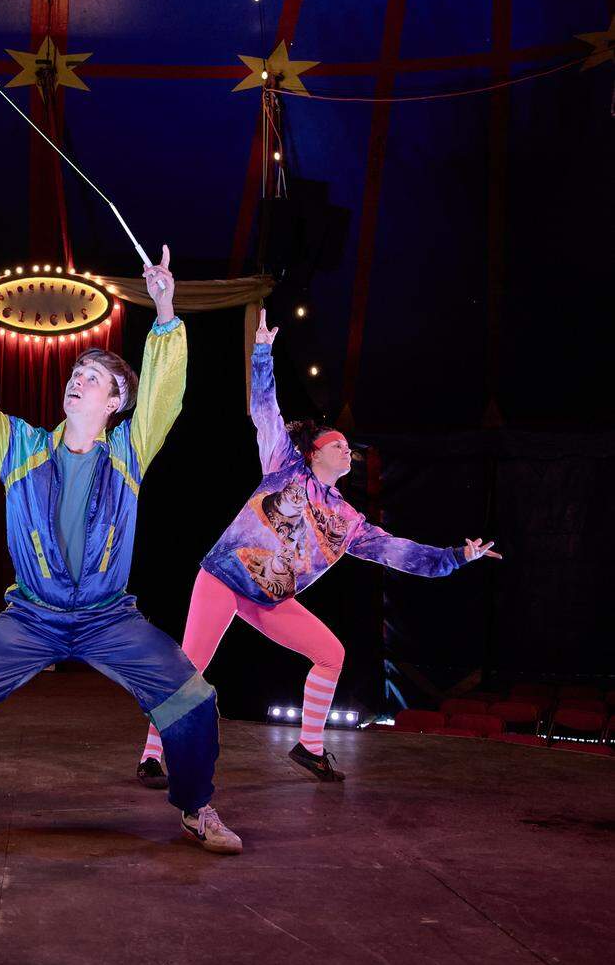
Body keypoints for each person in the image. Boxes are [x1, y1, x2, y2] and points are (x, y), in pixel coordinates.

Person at [0, 248, 241, 853]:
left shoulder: (129, 454)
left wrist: (165, 310)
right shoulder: (21, 448)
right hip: (31, 615)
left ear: (116, 402)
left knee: (193, 700)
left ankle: (196, 807)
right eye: (74, 375)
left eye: (92, 378)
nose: (76, 381)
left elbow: (165, 394)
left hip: (109, 616)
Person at [136, 309, 502, 787]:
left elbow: (401, 553)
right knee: (192, 665)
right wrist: (262, 353)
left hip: (270, 598)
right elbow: (266, 410)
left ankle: (309, 748)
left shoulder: (349, 522)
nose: (346, 450)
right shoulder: (284, 466)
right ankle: (150, 754)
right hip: (224, 576)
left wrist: (457, 556)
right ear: (313, 453)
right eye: (337, 444)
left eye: (349, 447)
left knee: (331, 653)